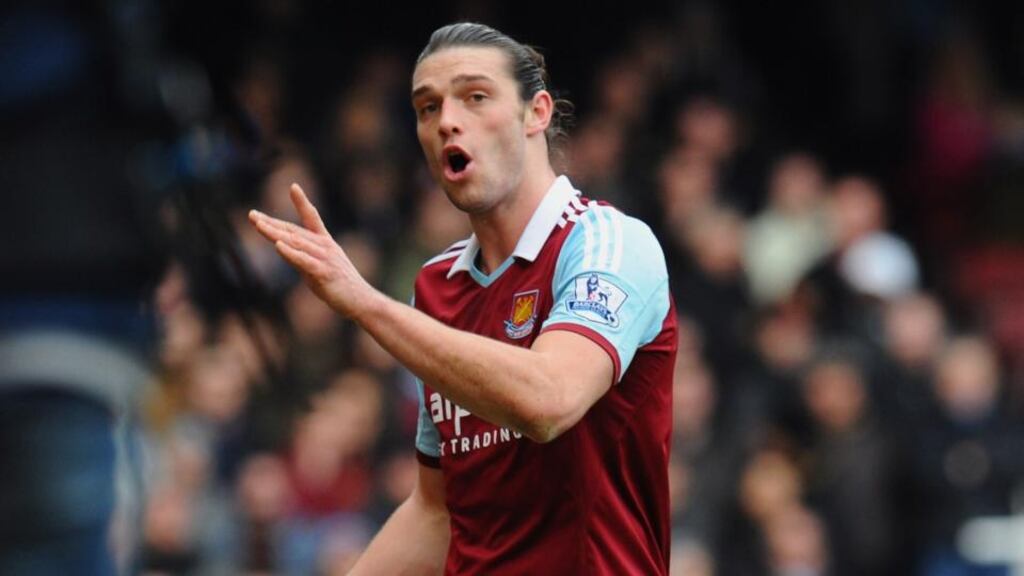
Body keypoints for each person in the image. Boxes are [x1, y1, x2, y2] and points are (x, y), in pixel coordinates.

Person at [249, 22, 677, 574]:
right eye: (427, 108)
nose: (447, 120)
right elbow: (436, 510)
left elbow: (550, 401)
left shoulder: (607, 243)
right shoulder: (435, 288)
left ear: (536, 113)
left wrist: (364, 302)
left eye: (475, 97)